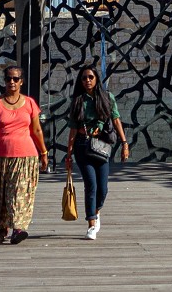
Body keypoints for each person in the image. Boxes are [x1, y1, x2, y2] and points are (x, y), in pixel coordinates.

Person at [0, 65, 48, 244]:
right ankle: (2, 229)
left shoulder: (30, 103)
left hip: (24, 157)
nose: (12, 82)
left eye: (15, 79)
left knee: (17, 193)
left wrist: (44, 152)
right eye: (8, 78)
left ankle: (18, 228)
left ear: (21, 82)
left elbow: (37, 130)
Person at [64, 66, 129, 240]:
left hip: (101, 145)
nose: (87, 80)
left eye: (90, 77)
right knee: (90, 185)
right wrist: (69, 154)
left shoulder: (107, 98)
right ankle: (91, 224)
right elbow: (72, 129)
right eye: (84, 78)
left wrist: (124, 143)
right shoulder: (78, 100)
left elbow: (116, 119)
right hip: (82, 145)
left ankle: (96, 210)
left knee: (103, 189)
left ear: (96, 79)